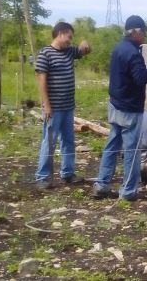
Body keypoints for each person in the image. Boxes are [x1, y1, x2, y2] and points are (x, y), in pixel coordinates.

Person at [92, 15, 147, 201]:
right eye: (143, 32)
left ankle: (101, 184)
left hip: (115, 105)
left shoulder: (118, 48)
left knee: (112, 146)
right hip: (129, 109)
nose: (145, 35)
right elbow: (140, 79)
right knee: (131, 151)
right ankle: (128, 191)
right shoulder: (133, 54)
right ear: (136, 32)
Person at [34, 21, 91, 189]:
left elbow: (85, 50)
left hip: (68, 107)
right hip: (54, 108)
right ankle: (43, 176)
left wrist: (85, 44)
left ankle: (68, 173)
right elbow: (41, 82)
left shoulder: (69, 52)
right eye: (69, 37)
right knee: (49, 142)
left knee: (68, 141)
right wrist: (47, 105)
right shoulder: (45, 54)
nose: (70, 41)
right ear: (60, 33)